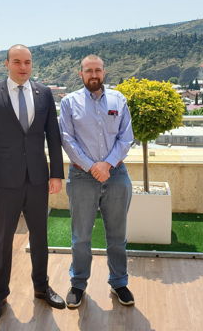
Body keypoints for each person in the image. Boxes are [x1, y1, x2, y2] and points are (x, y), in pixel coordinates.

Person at [0, 44, 66, 322]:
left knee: (41, 237)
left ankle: (41, 287)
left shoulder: (44, 93)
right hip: (3, 183)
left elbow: (53, 136)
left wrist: (56, 174)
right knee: (2, 240)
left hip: (38, 180)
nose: (23, 67)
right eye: (17, 62)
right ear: (6, 64)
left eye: (27, 62)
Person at [59, 54, 134, 308]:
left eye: (98, 70)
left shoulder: (118, 99)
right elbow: (67, 140)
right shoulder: (69, 102)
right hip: (82, 176)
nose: (94, 75)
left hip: (116, 174)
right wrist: (93, 167)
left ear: (104, 72)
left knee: (117, 235)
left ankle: (119, 282)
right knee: (81, 236)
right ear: (80, 74)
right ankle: (78, 284)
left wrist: (107, 165)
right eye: (89, 70)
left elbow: (126, 138)